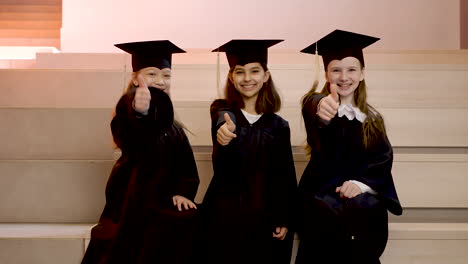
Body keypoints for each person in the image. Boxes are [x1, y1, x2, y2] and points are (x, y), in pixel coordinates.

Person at [81, 40, 200, 264]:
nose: (161, 81)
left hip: (164, 200)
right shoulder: (126, 115)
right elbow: (131, 138)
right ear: (136, 78)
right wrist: (140, 111)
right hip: (131, 199)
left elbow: (186, 166)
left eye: (166, 75)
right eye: (152, 74)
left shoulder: (174, 126)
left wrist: (183, 191)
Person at [295, 30, 403, 264]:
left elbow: (383, 159)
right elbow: (313, 108)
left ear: (362, 73)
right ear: (326, 74)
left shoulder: (372, 119)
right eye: (336, 70)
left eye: (351, 69)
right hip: (320, 194)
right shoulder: (316, 104)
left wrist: (360, 184)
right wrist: (322, 106)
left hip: (360, 201)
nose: (344, 77)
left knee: (365, 213)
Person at [199, 39, 298, 264]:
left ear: (266, 75)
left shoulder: (278, 125)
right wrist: (224, 134)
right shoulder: (222, 113)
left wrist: (283, 216)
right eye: (239, 72)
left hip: (265, 213)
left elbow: (284, 174)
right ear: (232, 77)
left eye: (255, 71)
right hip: (225, 212)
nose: (247, 78)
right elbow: (222, 123)